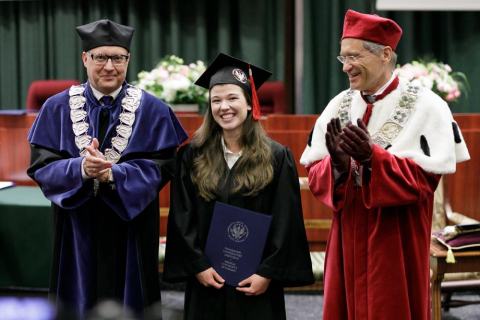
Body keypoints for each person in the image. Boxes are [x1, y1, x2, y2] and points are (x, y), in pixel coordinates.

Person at [300, 10, 470, 320]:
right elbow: (314, 175)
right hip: (347, 238)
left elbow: (423, 182)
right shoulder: (339, 104)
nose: (346, 66)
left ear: (385, 54)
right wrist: (336, 165)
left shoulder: (428, 106)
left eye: (354, 56)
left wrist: (372, 159)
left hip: (396, 239)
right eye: (342, 58)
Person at [27, 18, 188, 318]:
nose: (109, 66)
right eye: (101, 57)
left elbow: (165, 167)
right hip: (75, 228)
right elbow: (41, 167)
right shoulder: (57, 108)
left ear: (128, 60)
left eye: (118, 58)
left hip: (132, 230)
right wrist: (81, 169)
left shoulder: (154, 111)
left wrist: (116, 173)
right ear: (85, 58)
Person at [162, 53, 314, 320]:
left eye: (232, 98)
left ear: (249, 103)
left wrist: (267, 273)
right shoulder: (191, 156)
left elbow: (286, 219)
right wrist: (198, 266)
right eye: (216, 100)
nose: (224, 107)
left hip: (255, 284)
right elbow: (181, 217)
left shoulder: (277, 157)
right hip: (207, 282)